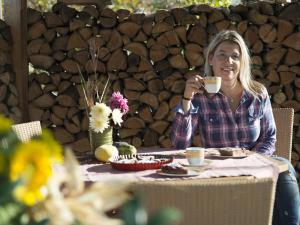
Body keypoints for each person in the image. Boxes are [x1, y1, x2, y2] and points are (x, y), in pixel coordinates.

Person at [170, 30, 300, 225]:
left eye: (235, 56)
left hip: (257, 164)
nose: (228, 61)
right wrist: (187, 98)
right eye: (222, 54)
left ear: (242, 63)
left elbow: (269, 137)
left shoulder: (257, 93)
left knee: (284, 169)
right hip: (217, 169)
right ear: (211, 59)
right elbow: (180, 143)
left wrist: (252, 162)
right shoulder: (200, 95)